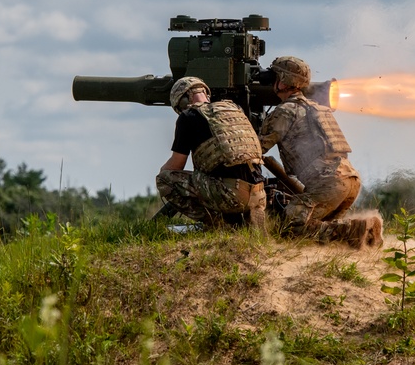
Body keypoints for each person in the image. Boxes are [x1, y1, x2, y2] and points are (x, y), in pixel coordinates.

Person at [258, 56, 383, 249]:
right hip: (349, 180)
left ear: (283, 81)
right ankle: (363, 234)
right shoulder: (317, 108)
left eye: (274, 76)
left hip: (327, 184)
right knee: (318, 228)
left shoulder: (285, 111)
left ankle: (356, 229)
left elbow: (258, 148)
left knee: (289, 227)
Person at [156, 76, 266, 229]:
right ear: (206, 94)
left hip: (231, 195)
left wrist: (163, 172)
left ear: (183, 100)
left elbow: (177, 164)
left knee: (165, 179)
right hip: (259, 195)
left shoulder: (188, 117)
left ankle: (221, 225)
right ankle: (240, 223)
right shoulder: (235, 110)